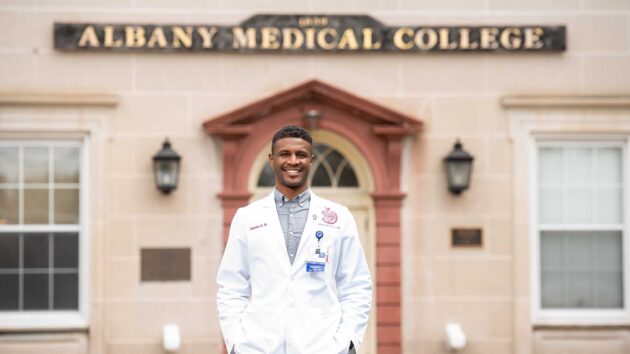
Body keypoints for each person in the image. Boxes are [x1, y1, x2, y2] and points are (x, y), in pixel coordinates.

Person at [216, 125, 372, 354]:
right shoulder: (247, 218)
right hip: (260, 347)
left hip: (321, 347)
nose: (293, 161)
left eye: (300, 155)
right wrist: (236, 343)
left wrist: (347, 342)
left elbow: (356, 285)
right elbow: (231, 286)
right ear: (271, 160)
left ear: (311, 160)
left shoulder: (339, 217)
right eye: (284, 154)